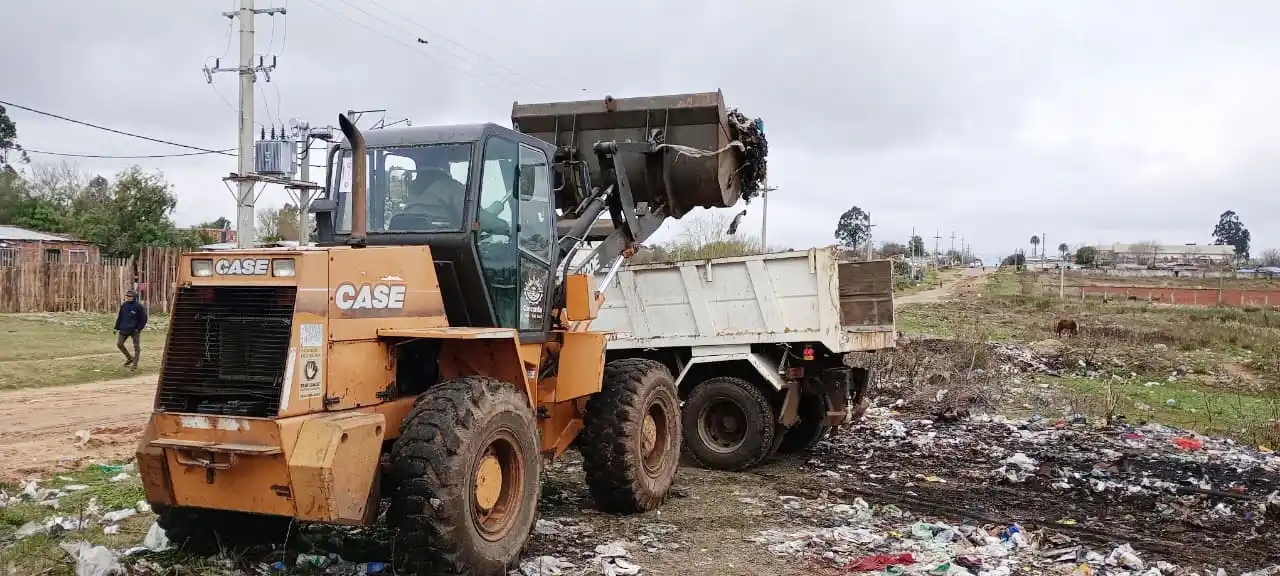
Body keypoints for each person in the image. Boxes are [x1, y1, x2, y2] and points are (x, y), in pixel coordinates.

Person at [114, 289, 148, 370]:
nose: (128, 298)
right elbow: (120, 317)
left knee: (136, 347)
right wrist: (116, 327)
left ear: (134, 297)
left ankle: (135, 364)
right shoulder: (124, 305)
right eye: (127, 296)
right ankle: (130, 358)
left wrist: (138, 328)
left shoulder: (139, 306)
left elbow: (144, 319)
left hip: (135, 330)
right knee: (119, 344)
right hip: (124, 328)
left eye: (130, 296)